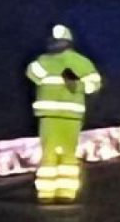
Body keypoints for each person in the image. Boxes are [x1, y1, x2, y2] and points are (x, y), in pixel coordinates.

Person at [25, 25, 103, 205]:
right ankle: (66, 193)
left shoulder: (43, 61)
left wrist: (75, 82)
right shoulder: (81, 62)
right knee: (68, 155)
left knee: (49, 155)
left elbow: (32, 73)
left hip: (50, 117)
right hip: (70, 117)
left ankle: (47, 193)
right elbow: (94, 85)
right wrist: (78, 85)